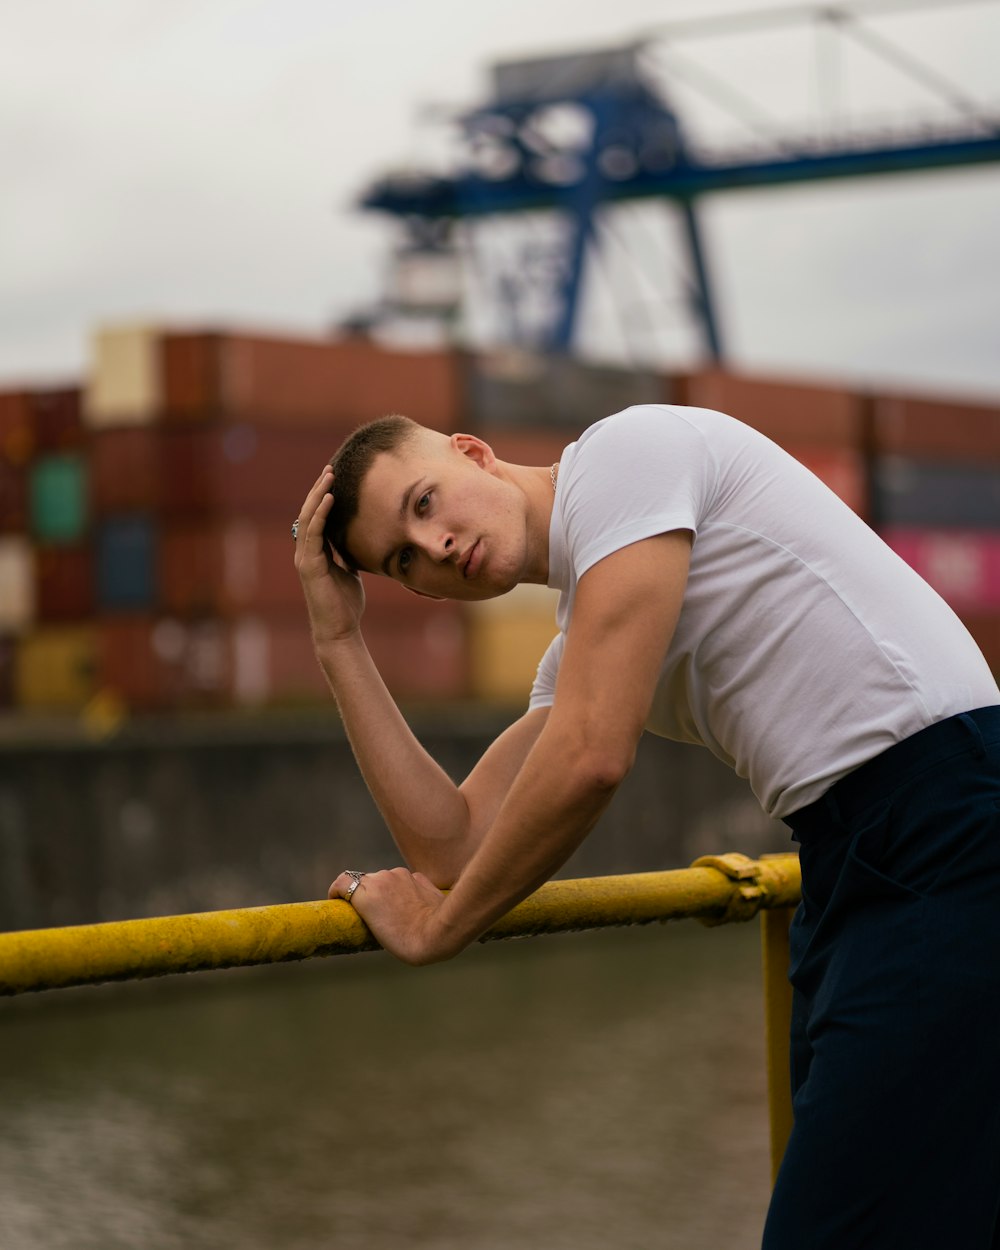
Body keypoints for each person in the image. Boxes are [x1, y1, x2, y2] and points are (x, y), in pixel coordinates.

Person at [294, 403, 1000, 1248]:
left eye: (424, 504)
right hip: (857, 860)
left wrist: (443, 930)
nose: (437, 547)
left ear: (475, 453)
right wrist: (338, 640)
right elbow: (453, 843)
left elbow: (592, 755)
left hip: (946, 824)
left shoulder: (625, 459)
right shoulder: (582, 638)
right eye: (404, 561)